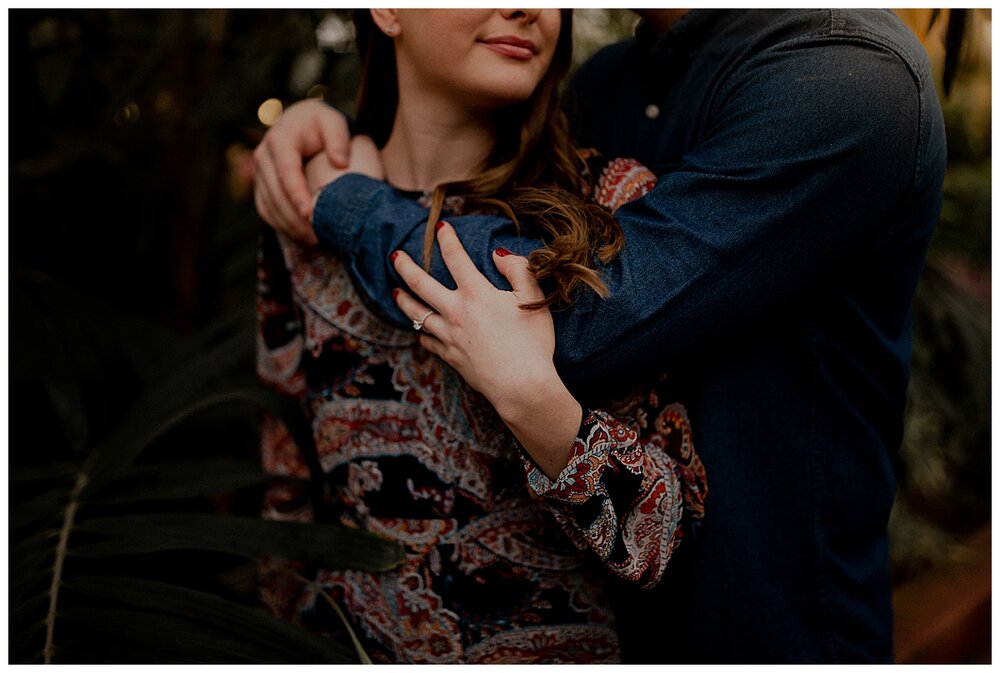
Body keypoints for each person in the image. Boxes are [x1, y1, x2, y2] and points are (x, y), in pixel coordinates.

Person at [254, 8, 947, 663]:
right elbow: (287, 485)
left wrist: (345, 200)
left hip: (782, 634)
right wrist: (315, 137)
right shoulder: (607, 90)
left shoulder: (849, 79)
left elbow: (573, 312)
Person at [255, 8, 706, 664]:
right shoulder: (303, 197)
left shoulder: (615, 206)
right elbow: (285, 485)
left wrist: (537, 407)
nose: (528, 7)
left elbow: (665, 537)